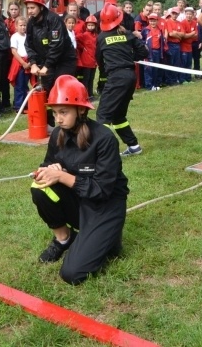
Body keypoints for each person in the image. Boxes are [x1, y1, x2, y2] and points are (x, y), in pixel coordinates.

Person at [30, 75, 128, 285]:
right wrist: (47, 170)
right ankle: (64, 239)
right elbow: (47, 164)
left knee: (72, 274)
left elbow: (102, 190)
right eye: (55, 113)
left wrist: (63, 176)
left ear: (81, 110)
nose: (58, 119)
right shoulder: (58, 134)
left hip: (105, 206)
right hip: (78, 201)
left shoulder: (104, 139)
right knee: (39, 186)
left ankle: (108, 239)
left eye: (63, 112)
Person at [95, 3, 149, 156]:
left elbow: (99, 60)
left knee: (103, 115)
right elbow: (143, 51)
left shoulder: (101, 37)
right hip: (130, 77)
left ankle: (100, 152)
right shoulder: (127, 34)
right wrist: (129, 57)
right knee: (118, 116)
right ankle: (133, 146)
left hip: (116, 77)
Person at [24, 0, 77, 128]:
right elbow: (28, 45)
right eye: (28, 8)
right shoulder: (30, 23)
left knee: (61, 89)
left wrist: (47, 66)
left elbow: (57, 45)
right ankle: (49, 124)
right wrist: (34, 63)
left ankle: (72, 123)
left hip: (64, 60)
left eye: (32, 8)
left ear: (41, 7)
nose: (30, 11)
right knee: (46, 91)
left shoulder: (54, 20)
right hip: (45, 61)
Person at [8, 16, 31, 112]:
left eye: (24, 25)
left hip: (28, 62)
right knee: (19, 85)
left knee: (25, 85)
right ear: (16, 26)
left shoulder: (28, 36)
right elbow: (14, 51)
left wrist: (29, 63)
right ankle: (18, 106)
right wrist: (22, 63)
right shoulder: (14, 36)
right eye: (21, 25)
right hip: (19, 64)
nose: (23, 27)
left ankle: (25, 104)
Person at [75, 15, 98, 98]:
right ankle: (85, 95)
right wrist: (82, 47)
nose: (90, 27)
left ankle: (90, 94)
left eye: (92, 25)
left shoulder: (96, 35)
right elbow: (75, 39)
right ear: (86, 25)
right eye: (89, 25)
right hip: (86, 61)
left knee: (91, 79)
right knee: (86, 79)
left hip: (94, 62)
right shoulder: (84, 35)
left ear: (95, 25)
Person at [143, 13, 165, 90]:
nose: (152, 22)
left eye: (154, 21)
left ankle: (155, 84)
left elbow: (162, 42)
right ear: (149, 21)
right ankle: (149, 85)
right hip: (149, 52)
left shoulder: (159, 30)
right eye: (151, 21)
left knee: (156, 69)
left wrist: (162, 52)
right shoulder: (146, 30)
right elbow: (141, 40)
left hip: (157, 52)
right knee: (148, 69)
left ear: (157, 21)